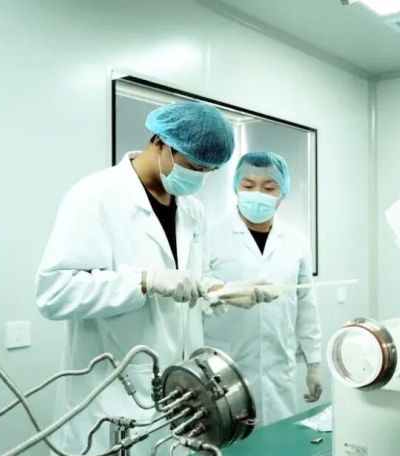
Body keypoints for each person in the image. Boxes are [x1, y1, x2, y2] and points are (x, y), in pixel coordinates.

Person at [35, 101, 272, 453]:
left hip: (181, 395)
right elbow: (55, 292)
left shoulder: (191, 209)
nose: (199, 178)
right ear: (161, 142)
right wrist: (144, 281)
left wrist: (221, 291)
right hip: (113, 395)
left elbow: (191, 281)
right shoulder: (95, 196)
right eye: (194, 166)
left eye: (208, 171)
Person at [203, 151, 323, 427]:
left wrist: (314, 364)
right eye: (248, 185)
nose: (257, 194)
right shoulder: (209, 236)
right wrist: (226, 292)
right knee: (229, 441)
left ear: (283, 193)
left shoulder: (297, 242)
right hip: (223, 367)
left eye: (269, 188)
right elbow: (198, 295)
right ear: (236, 187)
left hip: (278, 367)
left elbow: (306, 304)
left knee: (277, 439)